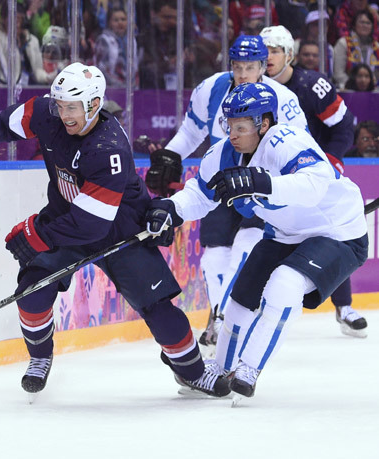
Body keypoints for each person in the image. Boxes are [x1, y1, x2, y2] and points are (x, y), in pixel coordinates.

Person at [0, 62, 231, 398]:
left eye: (72, 107)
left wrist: (36, 234)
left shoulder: (108, 147)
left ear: (94, 105)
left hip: (120, 231)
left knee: (159, 311)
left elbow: (91, 224)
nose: (63, 114)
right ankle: (40, 358)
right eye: (60, 105)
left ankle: (193, 372)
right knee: (30, 291)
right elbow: (2, 124)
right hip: (67, 218)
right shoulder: (47, 112)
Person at [148, 82, 368, 400]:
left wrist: (262, 181)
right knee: (239, 300)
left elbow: (316, 183)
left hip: (337, 231)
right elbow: (199, 193)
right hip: (283, 234)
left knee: (284, 283)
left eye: (240, 126)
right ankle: (221, 370)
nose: (232, 134)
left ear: (263, 123)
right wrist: (172, 209)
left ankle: (248, 369)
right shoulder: (224, 153)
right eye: (229, 126)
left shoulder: (286, 139)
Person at [145, 36, 308, 350]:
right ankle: (220, 314)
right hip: (222, 179)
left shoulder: (282, 99)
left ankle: (225, 317)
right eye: (237, 67)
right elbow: (193, 129)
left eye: (250, 67)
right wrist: (170, 154)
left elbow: (299, 146)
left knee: (247, 247)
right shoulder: (212, 88)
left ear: (263, 67)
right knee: (214, 257)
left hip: (262, 185)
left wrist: (285, 186)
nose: (243, 73)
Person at [261, 25, 368, 338]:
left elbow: (345, 126)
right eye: (263, 50)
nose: (268, 57)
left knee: (330, 232)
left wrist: (331, 162)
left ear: (289, 54)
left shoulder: (312, 85)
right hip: (277, 177)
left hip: (314, 174)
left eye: (275, 50)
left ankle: (344, 306)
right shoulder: (255, 86)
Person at [332, 8, 379, 89]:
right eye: (361, 22)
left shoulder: (377, 46)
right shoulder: (343, 43)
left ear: (372, 27)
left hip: (373, 91)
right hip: (349, 90)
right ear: (354, 25)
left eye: (368, 23)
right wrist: (355, 87)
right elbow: (338, 74)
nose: (365, 25)